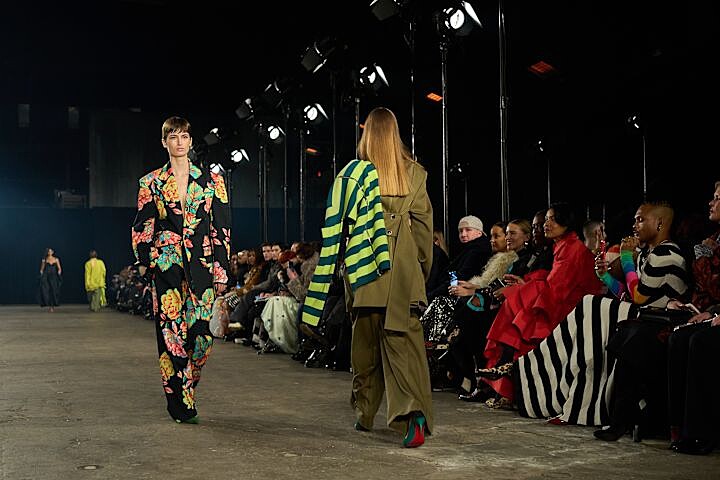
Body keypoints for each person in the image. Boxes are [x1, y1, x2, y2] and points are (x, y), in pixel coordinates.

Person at [303, 107, 433, 448]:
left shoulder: (353, 175)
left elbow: (340, 227)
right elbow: (424, 231)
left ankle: (365, 412)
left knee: (365, 347)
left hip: (366, 266)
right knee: (404, 345)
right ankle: (413, 414)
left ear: (367, 136)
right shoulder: (415, 173)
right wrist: (419, 271)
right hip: (403, 269)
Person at [131, 116, 231, 424]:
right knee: (171, 337)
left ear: (190, 141)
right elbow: (142, 227)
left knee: (203, 338)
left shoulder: (212, 181)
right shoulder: (151, 182)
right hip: (167, 267)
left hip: (202, 266)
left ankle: (187, 386)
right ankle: (179, 404)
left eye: (184, 136)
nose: (179, 142)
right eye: (173, 137)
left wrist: (221, 269)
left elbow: (221, 228)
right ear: (164, 142)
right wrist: (149, 261)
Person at [477, 202, 604, 408]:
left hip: (569, 309)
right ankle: (504, 373)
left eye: (552, 219)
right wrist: (525, 284)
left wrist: (523, 287)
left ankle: (504, 372)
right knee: (516, 303)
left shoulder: (572, 248)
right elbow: (552, 281)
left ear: (566, 221)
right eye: (546, 219)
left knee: (518, 305)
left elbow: (557, 290)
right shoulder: (562, 245)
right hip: (557, 302)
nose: (547, 224)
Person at [667, 181, 720, 454]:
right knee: (679, 338)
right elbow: (704, 290)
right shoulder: (714, 240)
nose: (711, 203)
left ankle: (703, 433)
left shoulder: (709, 246)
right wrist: (688, 305)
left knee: (700, 341)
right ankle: (679, 427)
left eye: (718, 198)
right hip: (711, 311)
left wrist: (703, 259)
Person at [39, 247, 62, 312]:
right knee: (46, 290)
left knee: (53, 290)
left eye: (51, 251)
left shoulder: (56, 259)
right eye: (49, 251)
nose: (50, 252)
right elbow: (42, 269)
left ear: (53, 252)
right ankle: (49, 306)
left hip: (54, 276)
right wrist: (41, 273)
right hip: (46, 276)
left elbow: (59, 268)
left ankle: (52, 306)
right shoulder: (45, 259)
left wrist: (59, 272)